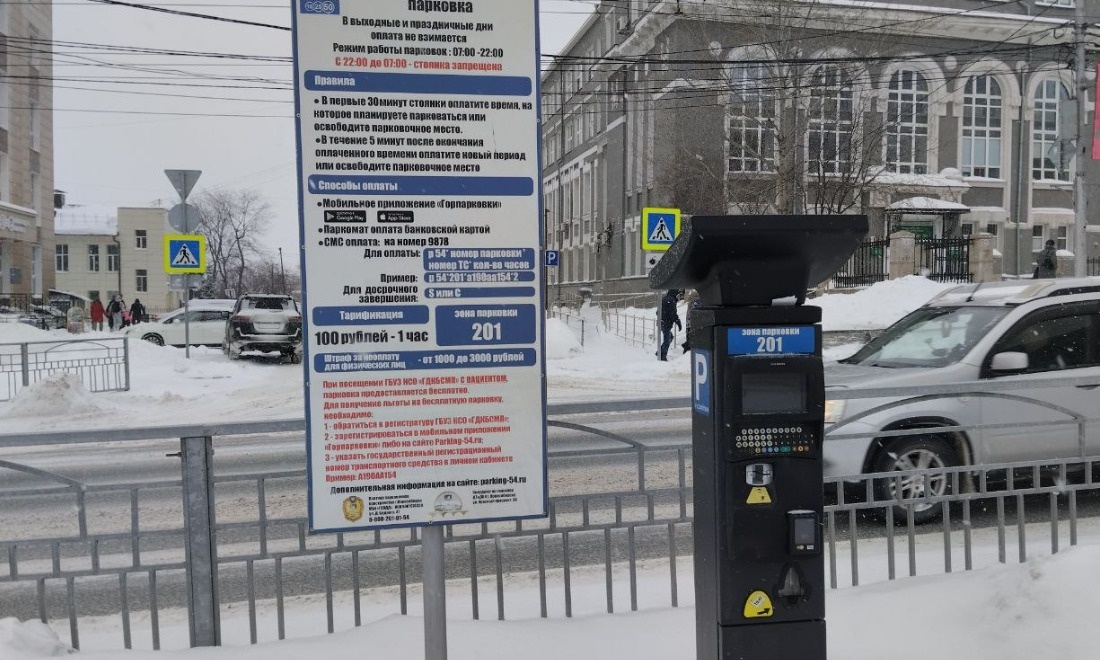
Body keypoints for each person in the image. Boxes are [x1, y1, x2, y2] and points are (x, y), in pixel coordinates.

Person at [656, 289, 682, 361]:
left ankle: (660, 352)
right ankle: (662, 356)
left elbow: (657, 312)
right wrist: (678, 322)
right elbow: (672, 314)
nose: (678, 296)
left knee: (670, 337)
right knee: (667, 340)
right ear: (675, 293)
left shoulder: (664, 298)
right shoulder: (671, 300)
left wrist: (662, 317)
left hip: (661, 322)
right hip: (666, 323)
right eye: (678, 294)